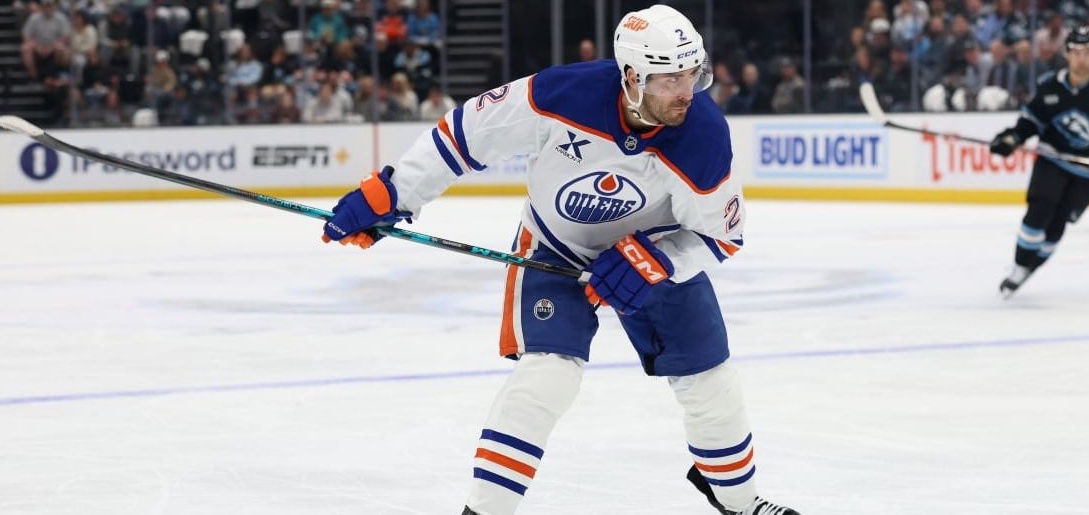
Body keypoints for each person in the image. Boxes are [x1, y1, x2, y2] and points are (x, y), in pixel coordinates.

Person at [318, 4, 799, 515]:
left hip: (656, 250)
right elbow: (465, 133)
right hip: (555, 245)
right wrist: (394, 193)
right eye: (670, 79)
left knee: (710, 379)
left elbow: (722, 236)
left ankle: (739, 500)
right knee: (546, 377)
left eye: (692, 74)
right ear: (632, 78)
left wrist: (656, 261)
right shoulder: (562, 94)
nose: (686, 91)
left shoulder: (703, 135)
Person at [990, 26, 1089, 297]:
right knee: (1039, 211)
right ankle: (1019, 266)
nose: (1081, 58)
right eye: (1075, 52)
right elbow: (1031, 122)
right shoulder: (1050, 86)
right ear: (1066, 54)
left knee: (1058, 223)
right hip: (1052, 160)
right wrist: (1012, 138)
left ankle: (1030, 268)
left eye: (1086, 52)